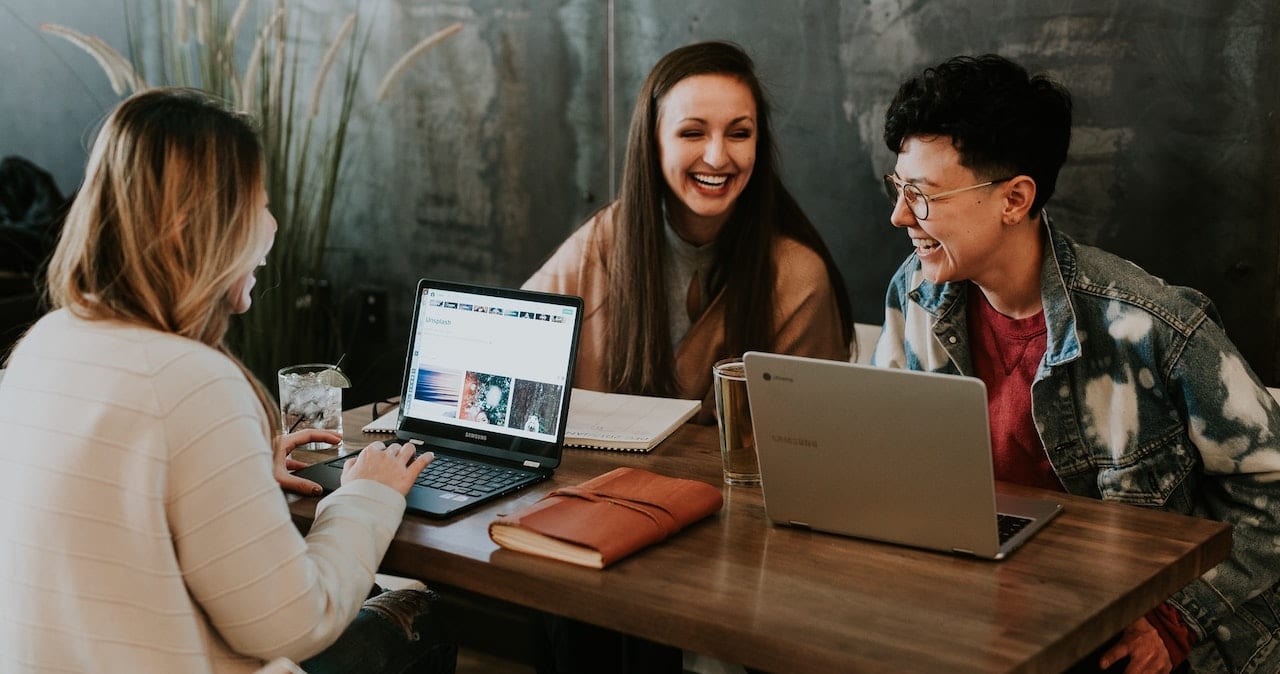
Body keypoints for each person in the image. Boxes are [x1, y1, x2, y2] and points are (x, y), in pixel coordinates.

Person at [0, 88, 455, 674]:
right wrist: (368, 495)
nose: (271, 225)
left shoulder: (42, 345)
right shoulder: (191, 381)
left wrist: (236, 474)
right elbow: (296, 623)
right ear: (196, 226)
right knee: (421, 616)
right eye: (257, 205)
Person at [873, 54, 1280, 674]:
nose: (901, 216)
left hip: (1127, 633)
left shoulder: (1151, 326)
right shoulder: (917, 292)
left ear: (1015, 199)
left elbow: (1272, 492)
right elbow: (893, 464)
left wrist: (1177, 622)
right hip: (984, 615)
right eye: (898, 188)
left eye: (923, 196)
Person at [524, 40, 853, 425]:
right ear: (653, 142)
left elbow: (809, 439)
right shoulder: (602, 241)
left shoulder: (797, 277)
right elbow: (510, 348)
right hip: (595, 483)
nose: (717, 157)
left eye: (739, 133)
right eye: (692, 133)